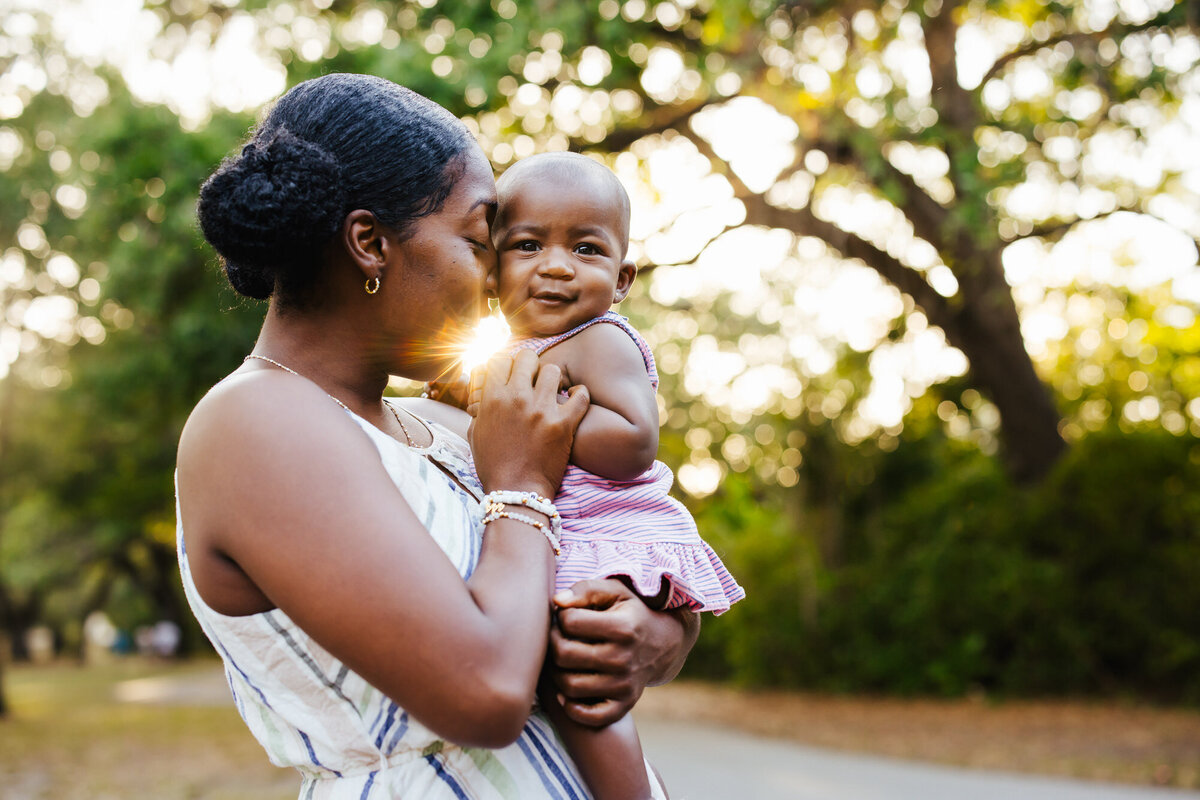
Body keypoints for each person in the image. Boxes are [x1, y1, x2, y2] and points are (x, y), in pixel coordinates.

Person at [179, 73, 697, 799]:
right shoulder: (256, 423)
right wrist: (520, 487)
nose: (497, 281)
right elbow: (485, 692)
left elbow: (596, 555)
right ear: (370, 243)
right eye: (481, 240)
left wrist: (653, 637)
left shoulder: (444, 424)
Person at [470, 152, 746, 799]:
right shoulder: (515, 354)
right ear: (491, 268)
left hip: (610, 533)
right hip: (569, 531)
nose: (558, 265)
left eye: (586, 249)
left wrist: (547, 429)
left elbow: (634, 441)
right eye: (528, 245)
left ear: (622, 279)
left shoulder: (600, 340)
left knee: (581, 691)